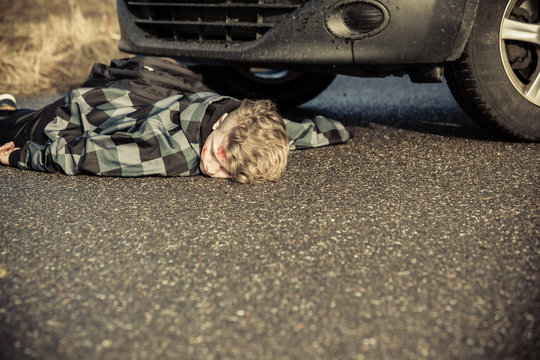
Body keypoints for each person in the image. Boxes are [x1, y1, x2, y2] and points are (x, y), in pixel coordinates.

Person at [0, 56, 349, 183]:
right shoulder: (176, 153)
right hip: (71, 121)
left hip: (120, 97)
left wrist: (332, 131)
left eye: (229, 173)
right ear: (220, 124)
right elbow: (93, 157)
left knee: (20, 117)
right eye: (218, 155)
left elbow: (288, 131)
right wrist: (22, 157)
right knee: (15, 128)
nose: (212, 168)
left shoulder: (238, 115)